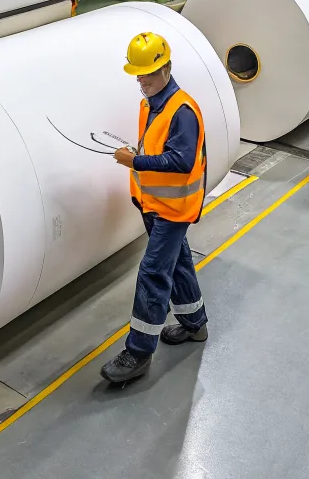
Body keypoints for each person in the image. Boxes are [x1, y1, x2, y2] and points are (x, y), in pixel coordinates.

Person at [100, 32, 208, 385]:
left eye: (146, 73)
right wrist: (140, 153)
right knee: (178, 263)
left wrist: (135, 160)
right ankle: (195, 325)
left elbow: (181, 161)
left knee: (151, 274)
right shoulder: (151, 104)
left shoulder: (183, 110)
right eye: (137, 74)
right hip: (155, 204)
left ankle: (139, 352)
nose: (140, 80)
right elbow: (160, 146)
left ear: (165, 68)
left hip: (174, 211)